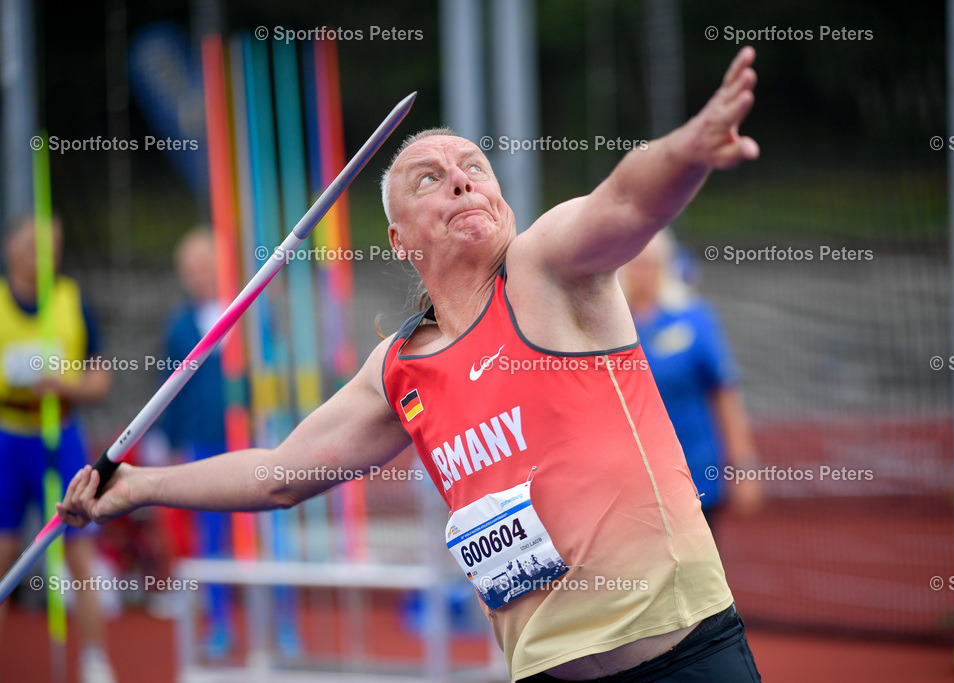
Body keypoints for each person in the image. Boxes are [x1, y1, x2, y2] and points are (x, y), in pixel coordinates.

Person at [61, 47, 763, 681]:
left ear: (503, 202)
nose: (460, 182)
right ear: (398, 239)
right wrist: (140, 485)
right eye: (430, 178)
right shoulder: (396, 369)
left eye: (474, 169)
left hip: (683, 661)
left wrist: (689, 149)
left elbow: (628, 199)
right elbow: (279, 475)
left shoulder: (546, 271)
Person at [0, 216, 117, 683]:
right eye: (32, 245)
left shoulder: (71, 300)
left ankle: (95, 660)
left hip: (61, 435)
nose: (40, 255)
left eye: (51, 247)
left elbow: (100, 379)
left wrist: (62, 384)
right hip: (9, 436)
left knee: (79, 552)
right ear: (11, 247)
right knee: (4, 551)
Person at [620, 231, 762, 531]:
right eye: (634, 263)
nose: (641, 273)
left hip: (696, 473)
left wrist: (744, 466)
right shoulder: (608, 326)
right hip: (630, 484)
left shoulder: (694, 318)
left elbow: (724, 392)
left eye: (649, 264)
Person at [155, 229, 235, 657]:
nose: (199, 276)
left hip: (249, 441)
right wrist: (170, 443)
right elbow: (168, 390)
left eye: (205, 266)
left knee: (261, 532)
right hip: (203, 443)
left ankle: (282, 621)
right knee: (211, 537)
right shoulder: (179, 327)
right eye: (190, 270)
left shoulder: (246, 310)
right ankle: (220, 623)